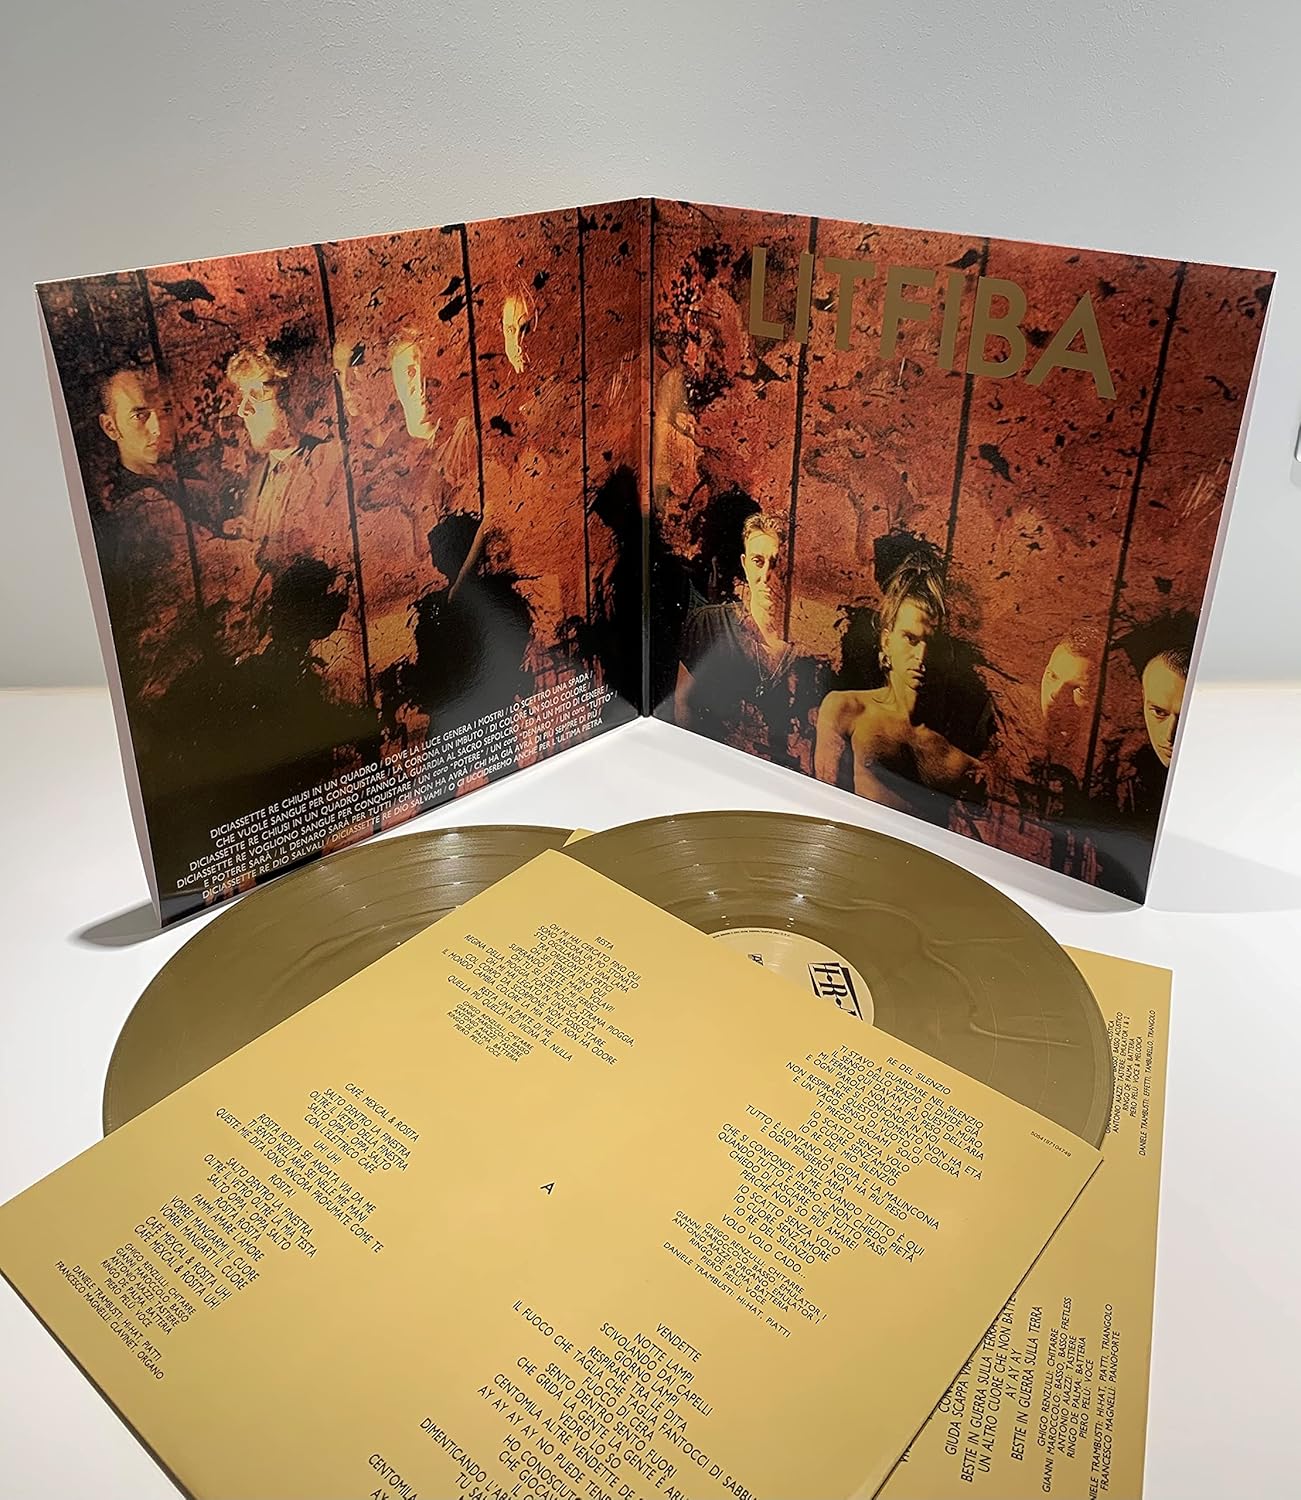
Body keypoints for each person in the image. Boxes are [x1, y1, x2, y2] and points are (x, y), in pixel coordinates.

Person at [814, 555, 985, 814]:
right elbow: (823, 802)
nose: (921, 656)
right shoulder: (846, 708)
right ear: (887, 641)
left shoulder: (956, 753)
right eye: (910, 639)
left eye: (932, 644)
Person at [93, 366, 205, 703]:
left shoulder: (175, 486)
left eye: (164, 411)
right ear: (111, 427)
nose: (158, 427)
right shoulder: (134, 507)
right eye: (140, 415)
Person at [673, 512, 797, 755]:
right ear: (745, 563)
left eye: (776, 563)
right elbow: (683, 703)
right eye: (758, 561)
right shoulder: (709, 624)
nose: (766, 576)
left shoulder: (803, 647)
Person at [1121, 643, 1190, 828]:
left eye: (1187, 717)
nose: (1170, 735)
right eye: (1159, 712)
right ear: (1143, 699)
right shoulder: (1126, 783)